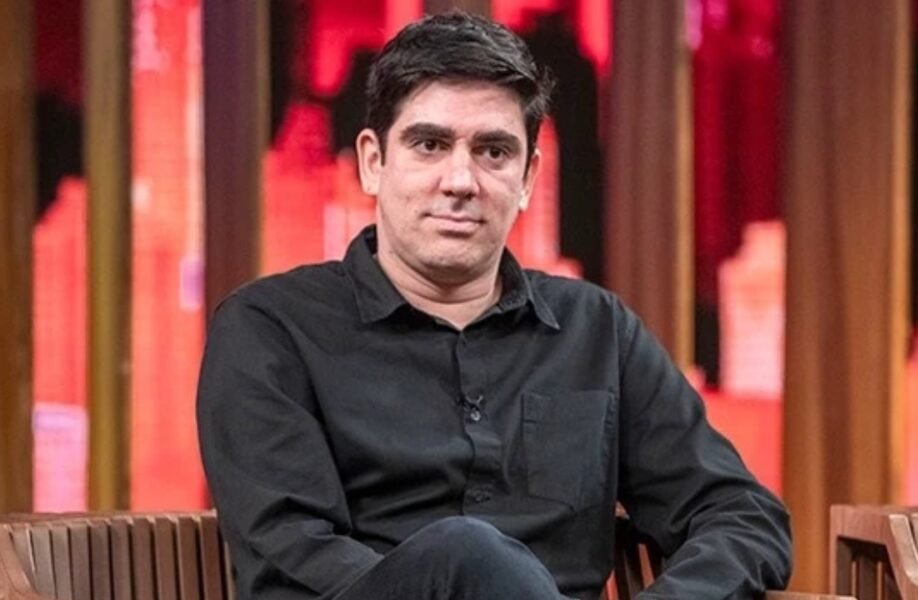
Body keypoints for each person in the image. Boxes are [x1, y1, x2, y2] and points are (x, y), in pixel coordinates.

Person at [197, 12, 792, 600]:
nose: (461, 181)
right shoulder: (270, 330)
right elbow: (296, 555)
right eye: (430, 145)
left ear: (528, 177)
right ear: (373, 162)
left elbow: (741, 515)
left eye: (493, 152)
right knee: (466, 553)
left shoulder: (597, 332)